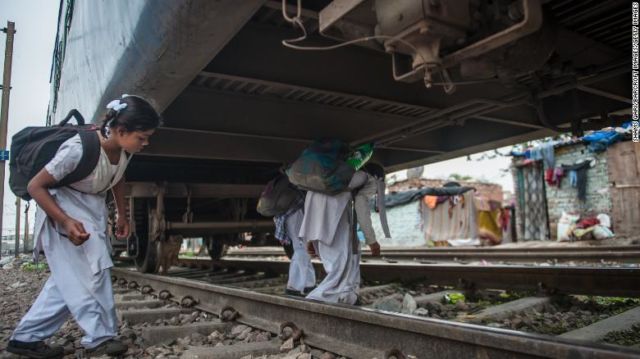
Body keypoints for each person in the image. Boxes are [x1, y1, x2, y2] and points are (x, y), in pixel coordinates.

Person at [7, 95, 162, 358]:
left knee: (66, 281)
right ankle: (101, 337)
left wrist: (122, 215)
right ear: (121, 131)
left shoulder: (124, 149)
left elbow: (117, 177)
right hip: (63, 210)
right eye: (142, 137)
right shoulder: (78, 149)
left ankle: (25, 339)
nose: (146, 143)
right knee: (95, 269)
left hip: (92, 210)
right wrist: (65, 221)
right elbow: (36, 186)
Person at [299, 163, 389, 305]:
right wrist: (371, 240)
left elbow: (314, 211)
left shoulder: (339, 175)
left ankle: (348, 297)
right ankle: (316, 300)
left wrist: (310, 239)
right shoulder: (369, 179)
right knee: (341, 264)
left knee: (343, 259)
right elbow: (361, 207)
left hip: (314, 208)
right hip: (335, 213)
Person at [273, 190, 316, 296]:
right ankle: (298, 285)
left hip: (290, 212)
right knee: (301, 248)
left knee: (301, 248)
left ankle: (304, 285)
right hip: (295, 211)